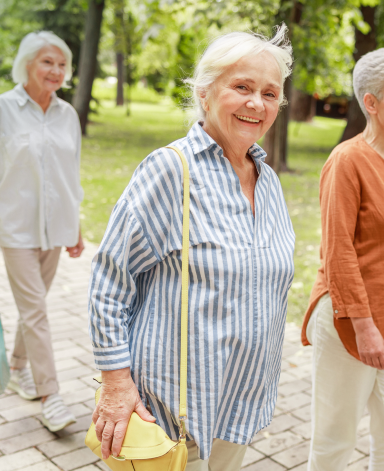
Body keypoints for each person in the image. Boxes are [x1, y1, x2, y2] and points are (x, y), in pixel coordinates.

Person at [87, 26, 295, 470]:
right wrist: (117, 386)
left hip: (239, 404)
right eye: (241, 87)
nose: (256, 103)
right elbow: (109, 282)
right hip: (172, 413)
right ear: (205, 93)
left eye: (270, 93)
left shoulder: (270, 182)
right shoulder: (171, 170)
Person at [301, 47, 384, 471]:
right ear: (371, 103)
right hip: (350, 319)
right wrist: (363, 325)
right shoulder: (347, 160)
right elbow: (337, 250)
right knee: (335, 437)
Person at [0, 31, 84, 433]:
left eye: (61, 64)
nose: (55, 70)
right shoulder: (1, 109)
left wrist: (76, 225)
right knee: (37, 310)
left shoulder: (67, 115)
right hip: (15, 228)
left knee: (32, 307)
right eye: (47, 62)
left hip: (55, 228)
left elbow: (70, 174)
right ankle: (50, 395)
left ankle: (19, 366)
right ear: (28, 64)